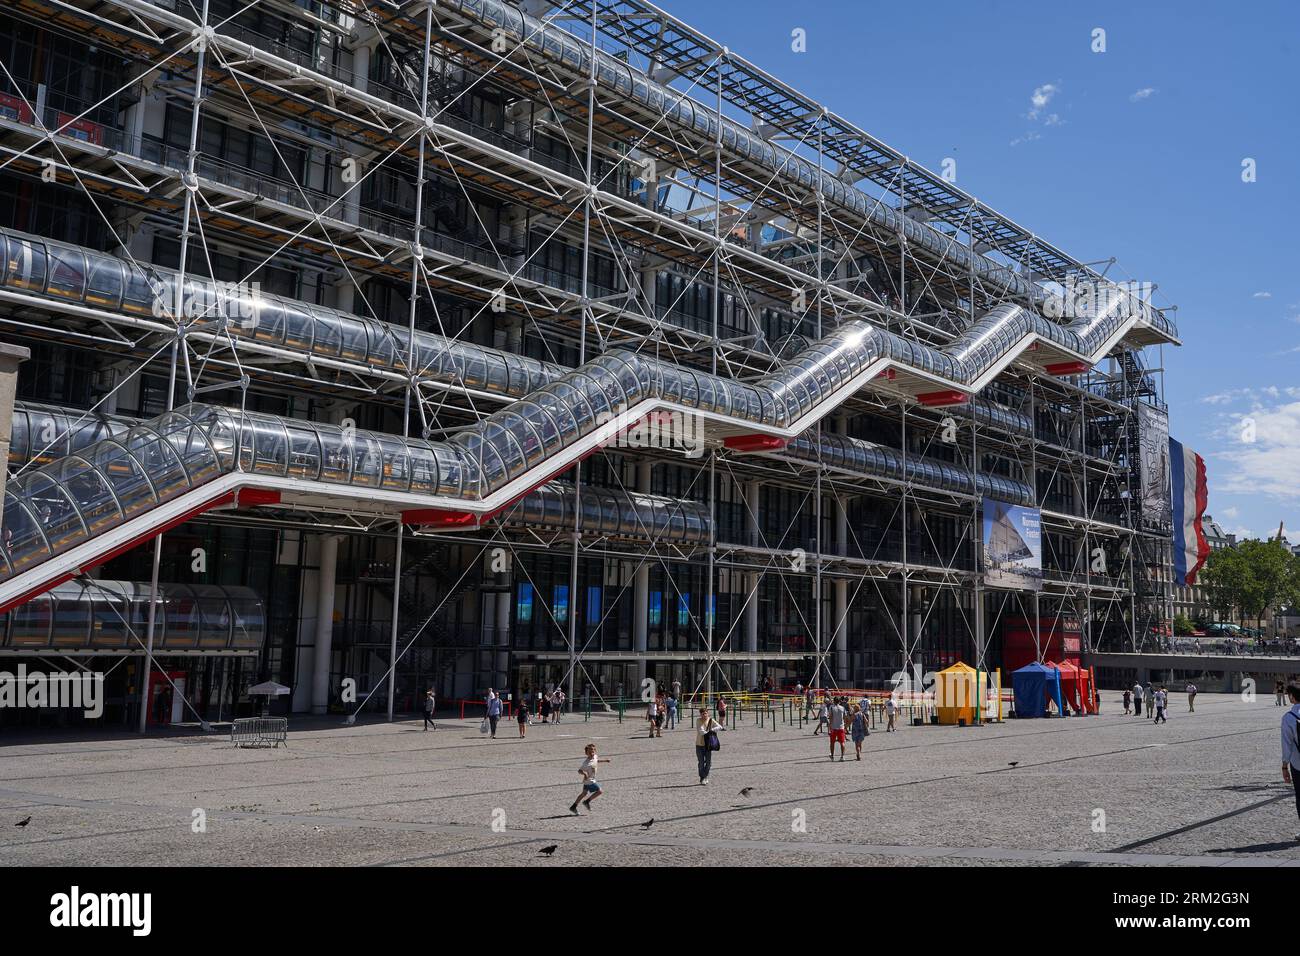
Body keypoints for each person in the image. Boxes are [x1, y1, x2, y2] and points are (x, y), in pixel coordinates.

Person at [1280, 683, 1300, 842]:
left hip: (1297, 763)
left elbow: (1286, 744)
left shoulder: (1288, 718)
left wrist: (1284, 766)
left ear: (1292, 697)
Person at [570, 743, 609, 814]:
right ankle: (586, 802)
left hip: (587, 780)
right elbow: (579, 770)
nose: (592, 752)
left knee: (584, 793)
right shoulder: (586, 763)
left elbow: (597, 760)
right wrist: (584, 773)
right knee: (599, 791)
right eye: (590, 751)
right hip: (589, 780)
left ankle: (573, 807)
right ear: (586, 753)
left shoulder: (595, 757)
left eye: (593, 750)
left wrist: (605, 760)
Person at [695, 707, 723, 785]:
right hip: (699, 744)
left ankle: (705, 776)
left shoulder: (711, 720)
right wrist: (709, 732)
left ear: (708, 713)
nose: (704, 715)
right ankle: (702, 777)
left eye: (705, 713)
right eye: (702, 714)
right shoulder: (698, 720)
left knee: (708, 762)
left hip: (708, 745)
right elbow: (701, 731)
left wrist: (712, 730)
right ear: (700, 714)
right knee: (701, 763)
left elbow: (720, 727)